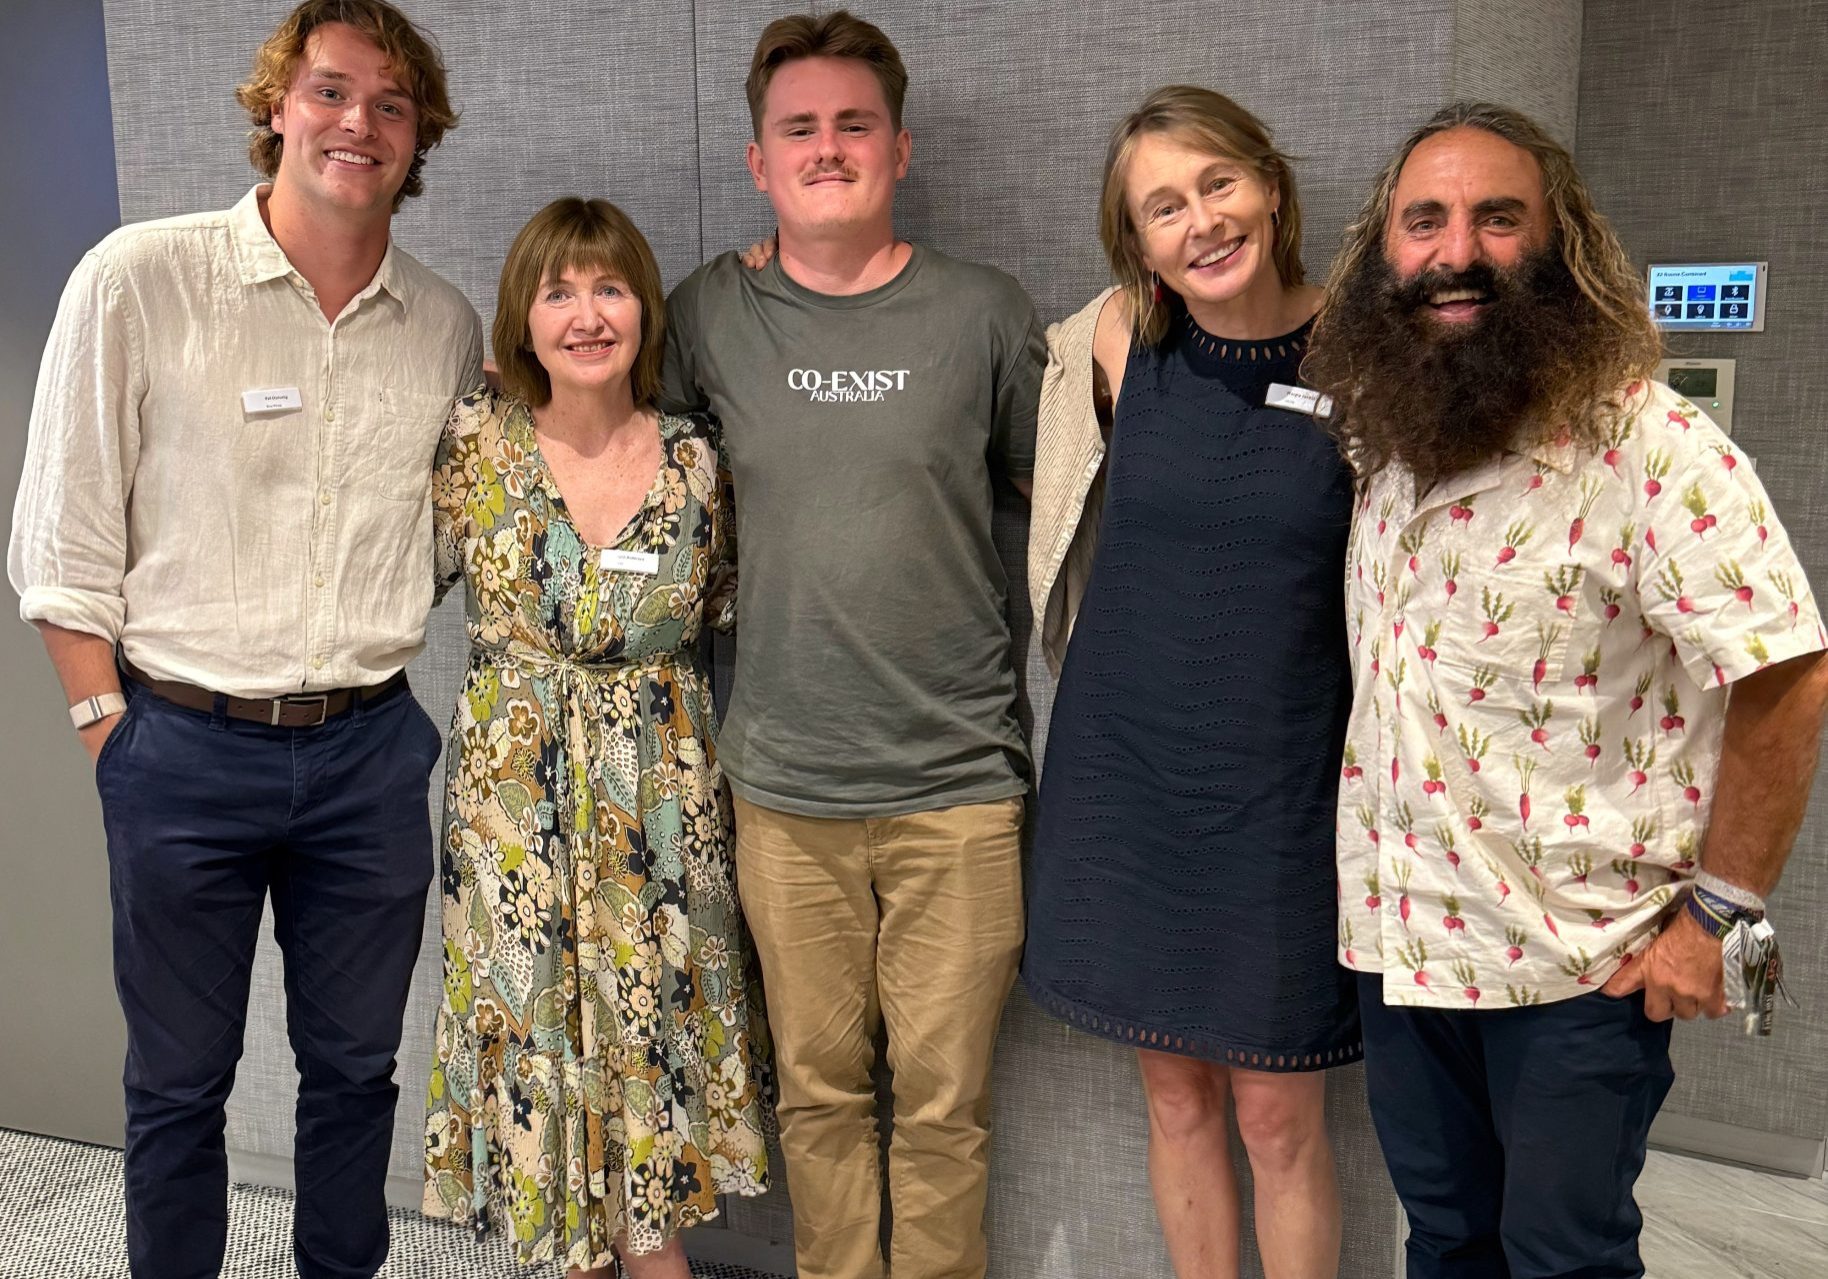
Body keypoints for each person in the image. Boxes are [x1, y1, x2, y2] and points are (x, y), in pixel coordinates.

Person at [1303, 101, 1828, 1279]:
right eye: (1424, 221)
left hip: (1577, 967)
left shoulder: (1650, 447)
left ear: (1559, 244)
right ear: (1384, 251)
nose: (1456, 250)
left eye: (1497, 218)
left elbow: (1788, 674)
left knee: (1561, 1258)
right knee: (1447, 1243)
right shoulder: (1388, 444)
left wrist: (1716, 915)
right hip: (1402, 946)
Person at [6, 3, 480, 1276]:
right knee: (177, 1084)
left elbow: (443, 542)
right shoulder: (139, 278)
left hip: (367, 755)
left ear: (418, 136)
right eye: (331, 90)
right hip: (179, 747)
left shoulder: (442, 326)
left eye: (391, 105)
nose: (358, 123)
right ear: (278, 104)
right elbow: (59, 541)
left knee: (357, 1072)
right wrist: (108, 732)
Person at [660, 11, 1044, 1279]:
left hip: (959, 786)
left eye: (853, 124)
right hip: (781, 788)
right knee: (817, 1098)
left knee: (945, 1108)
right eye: (799, 129)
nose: (827, 148)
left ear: (899, 147)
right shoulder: (708, 312)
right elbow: (634, 477)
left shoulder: (983, 313)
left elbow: (1056, 500)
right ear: (759, 160)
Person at [1022, 86, 1358, 1279]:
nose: (1201, 221)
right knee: (1174, 1097)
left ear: (1268, 184)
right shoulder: (1114, 340)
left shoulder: (1366, 350)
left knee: (1277, 1114)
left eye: (1218, 184)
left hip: (1283, 789)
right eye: (1163, 206)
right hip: (1127, 774)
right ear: (1136, 238)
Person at [420, 197, 773, 1278]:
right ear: (520, 319)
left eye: (609, 287)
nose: (586, 315)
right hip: (514, 816)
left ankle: (650, 1251)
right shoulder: (473, 444)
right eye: (558, 292)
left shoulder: (699, 461)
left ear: (645, 309)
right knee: (541, 1043)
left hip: (658, 809)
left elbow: (740, 602)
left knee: (649, 1036)